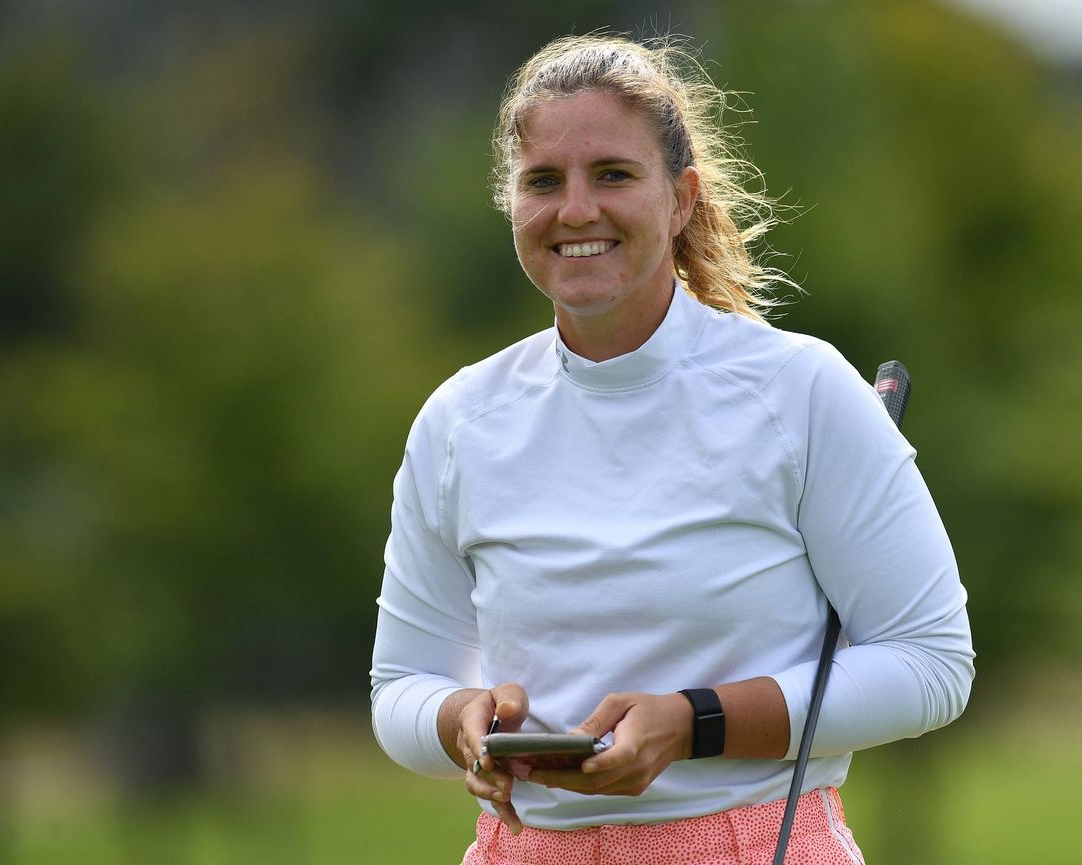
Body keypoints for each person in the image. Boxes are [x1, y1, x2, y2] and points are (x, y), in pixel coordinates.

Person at [370, 33, 973, 865]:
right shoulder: (459, 420)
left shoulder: (799, 391)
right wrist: (460, 723)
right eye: (543, 180)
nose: (575, 209)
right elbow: (400, 687)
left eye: (613, 174)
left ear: (681, 197)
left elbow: (930, 663)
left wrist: (695, 723)